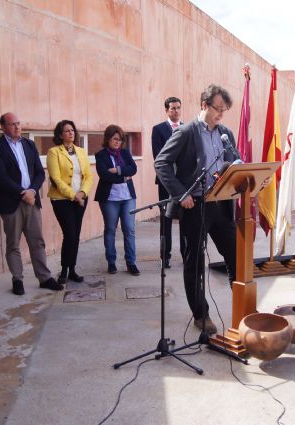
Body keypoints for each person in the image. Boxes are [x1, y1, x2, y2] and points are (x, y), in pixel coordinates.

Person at [154, 84, 239, 335]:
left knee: (235, 255)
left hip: (221, 205)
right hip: (195, 206)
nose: (221, 114)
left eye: (225, 110)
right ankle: (201, 314)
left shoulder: (225, 133)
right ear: (204, 104)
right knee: (195, 262)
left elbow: (235, 161)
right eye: (218, 108)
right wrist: (181, 194)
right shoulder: (186, 132)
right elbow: (162, 163)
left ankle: (243, 306)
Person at [0, 113, 62, 295]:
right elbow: (1, 177)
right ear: (3, 127)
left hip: (31, 200)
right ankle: (17, 279)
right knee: (13, 243)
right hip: (11, 201)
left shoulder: (29, 144)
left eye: (19, 123)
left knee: (37, 241)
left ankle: (44, 277)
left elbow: (39, 172)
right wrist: (22, 193)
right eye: (12, 124)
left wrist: (32, 191)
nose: (17, 127)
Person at [47, 120, 93, 284]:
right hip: (61, 200)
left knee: (76, 235)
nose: (70, 133)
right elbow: (56, 179)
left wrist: (83, 193)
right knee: (70, 234)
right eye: (66, 131)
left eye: (72, 130)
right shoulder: (54, 152)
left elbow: (88, 176)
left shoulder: (81, 151)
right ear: (60, 135)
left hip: (80, 199)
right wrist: (74, 195)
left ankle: (72, 269)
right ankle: (64, 270)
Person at [94, 125, 140, 276]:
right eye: (115, 139)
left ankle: (131, 263)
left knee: (129, 230)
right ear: (108, 139)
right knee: (110, 230)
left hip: (128, 198)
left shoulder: (125, 153)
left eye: (120, 140)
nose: (117, 142)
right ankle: (111, 262)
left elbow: (133, 169)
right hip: (109, 199)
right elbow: (104, 175)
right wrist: (123, 176)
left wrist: (117, 170)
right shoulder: (100, 155)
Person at [151, 96, 186, 268]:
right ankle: (165, 256)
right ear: (166, 110)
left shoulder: (188, 129)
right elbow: (159, 157)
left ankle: (186, 254)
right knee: (166, 220)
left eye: (178, 107)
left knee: (185, 220)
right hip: (166, 182)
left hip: (185, 182)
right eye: (172, 108)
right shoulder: (158, 130)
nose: (176, 111)